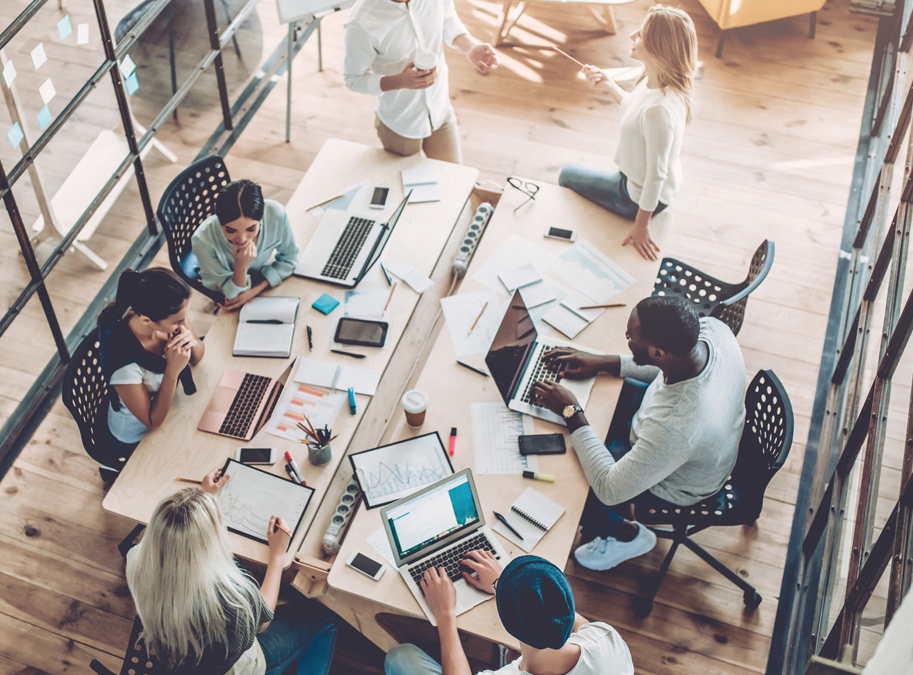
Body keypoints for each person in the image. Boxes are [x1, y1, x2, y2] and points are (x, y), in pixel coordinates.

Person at [531, 295, 746, 571]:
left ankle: (626, 534)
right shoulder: (713, 331)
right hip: (671, 429)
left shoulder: (678, 425)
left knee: (568, 480)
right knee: (594, 411)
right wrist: (603, 362)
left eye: (631, 335)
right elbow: (664, 369)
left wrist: (571, 411)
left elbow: (610, 489)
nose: (626, 337)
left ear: (657, 354)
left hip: (677, 482)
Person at [126, 468, 339, 675]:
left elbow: (177, 537)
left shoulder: (135, 559)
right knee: (326, 618)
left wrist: (202, 497)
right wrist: (277, 556)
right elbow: (263, 622)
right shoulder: (230, 597)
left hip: (178, 653)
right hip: (239, 669)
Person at [343, 0, 499, 164]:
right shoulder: (361, 24)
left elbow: (447, 16)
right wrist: (400, 81)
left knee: (454, 177)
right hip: (400, 123)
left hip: (440, 109)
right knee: (406, 184)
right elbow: (353, 79)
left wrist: (470, 47)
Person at [557, 5, 698, 261]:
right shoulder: (657, 80)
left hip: (636, 196)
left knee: (566, 175)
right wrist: (609, 85)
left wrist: (641, 225)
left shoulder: (659, 111)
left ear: (658, 48)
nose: (632, 35)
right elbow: (635, 110)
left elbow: (655, 176)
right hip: (648, 181)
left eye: (640, 34)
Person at [384, 554, 633, 675]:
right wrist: (505, 586)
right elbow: (570, 617)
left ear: (508, 623)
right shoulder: (605, 638)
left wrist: (445, 614)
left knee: (400, 657)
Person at [97, 268, 205, 463]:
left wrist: (192, 342)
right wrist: (172, 370)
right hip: (138, 437)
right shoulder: (125, 365)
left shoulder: (170, 316)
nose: (183, 324)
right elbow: (152, 421)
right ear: (146, 320)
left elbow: (197, 357)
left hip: (171, 406)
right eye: (179, 322)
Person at [190, 179, 299, 311]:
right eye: (231, 230)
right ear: (219, 222)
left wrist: (254, 291)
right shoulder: (202, 241)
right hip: (224, 287)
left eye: (251, 229)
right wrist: (240, 266)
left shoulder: (276, 214)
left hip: (256, 281)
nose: (242, 239)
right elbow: (233, 295)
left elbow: (290, 259)